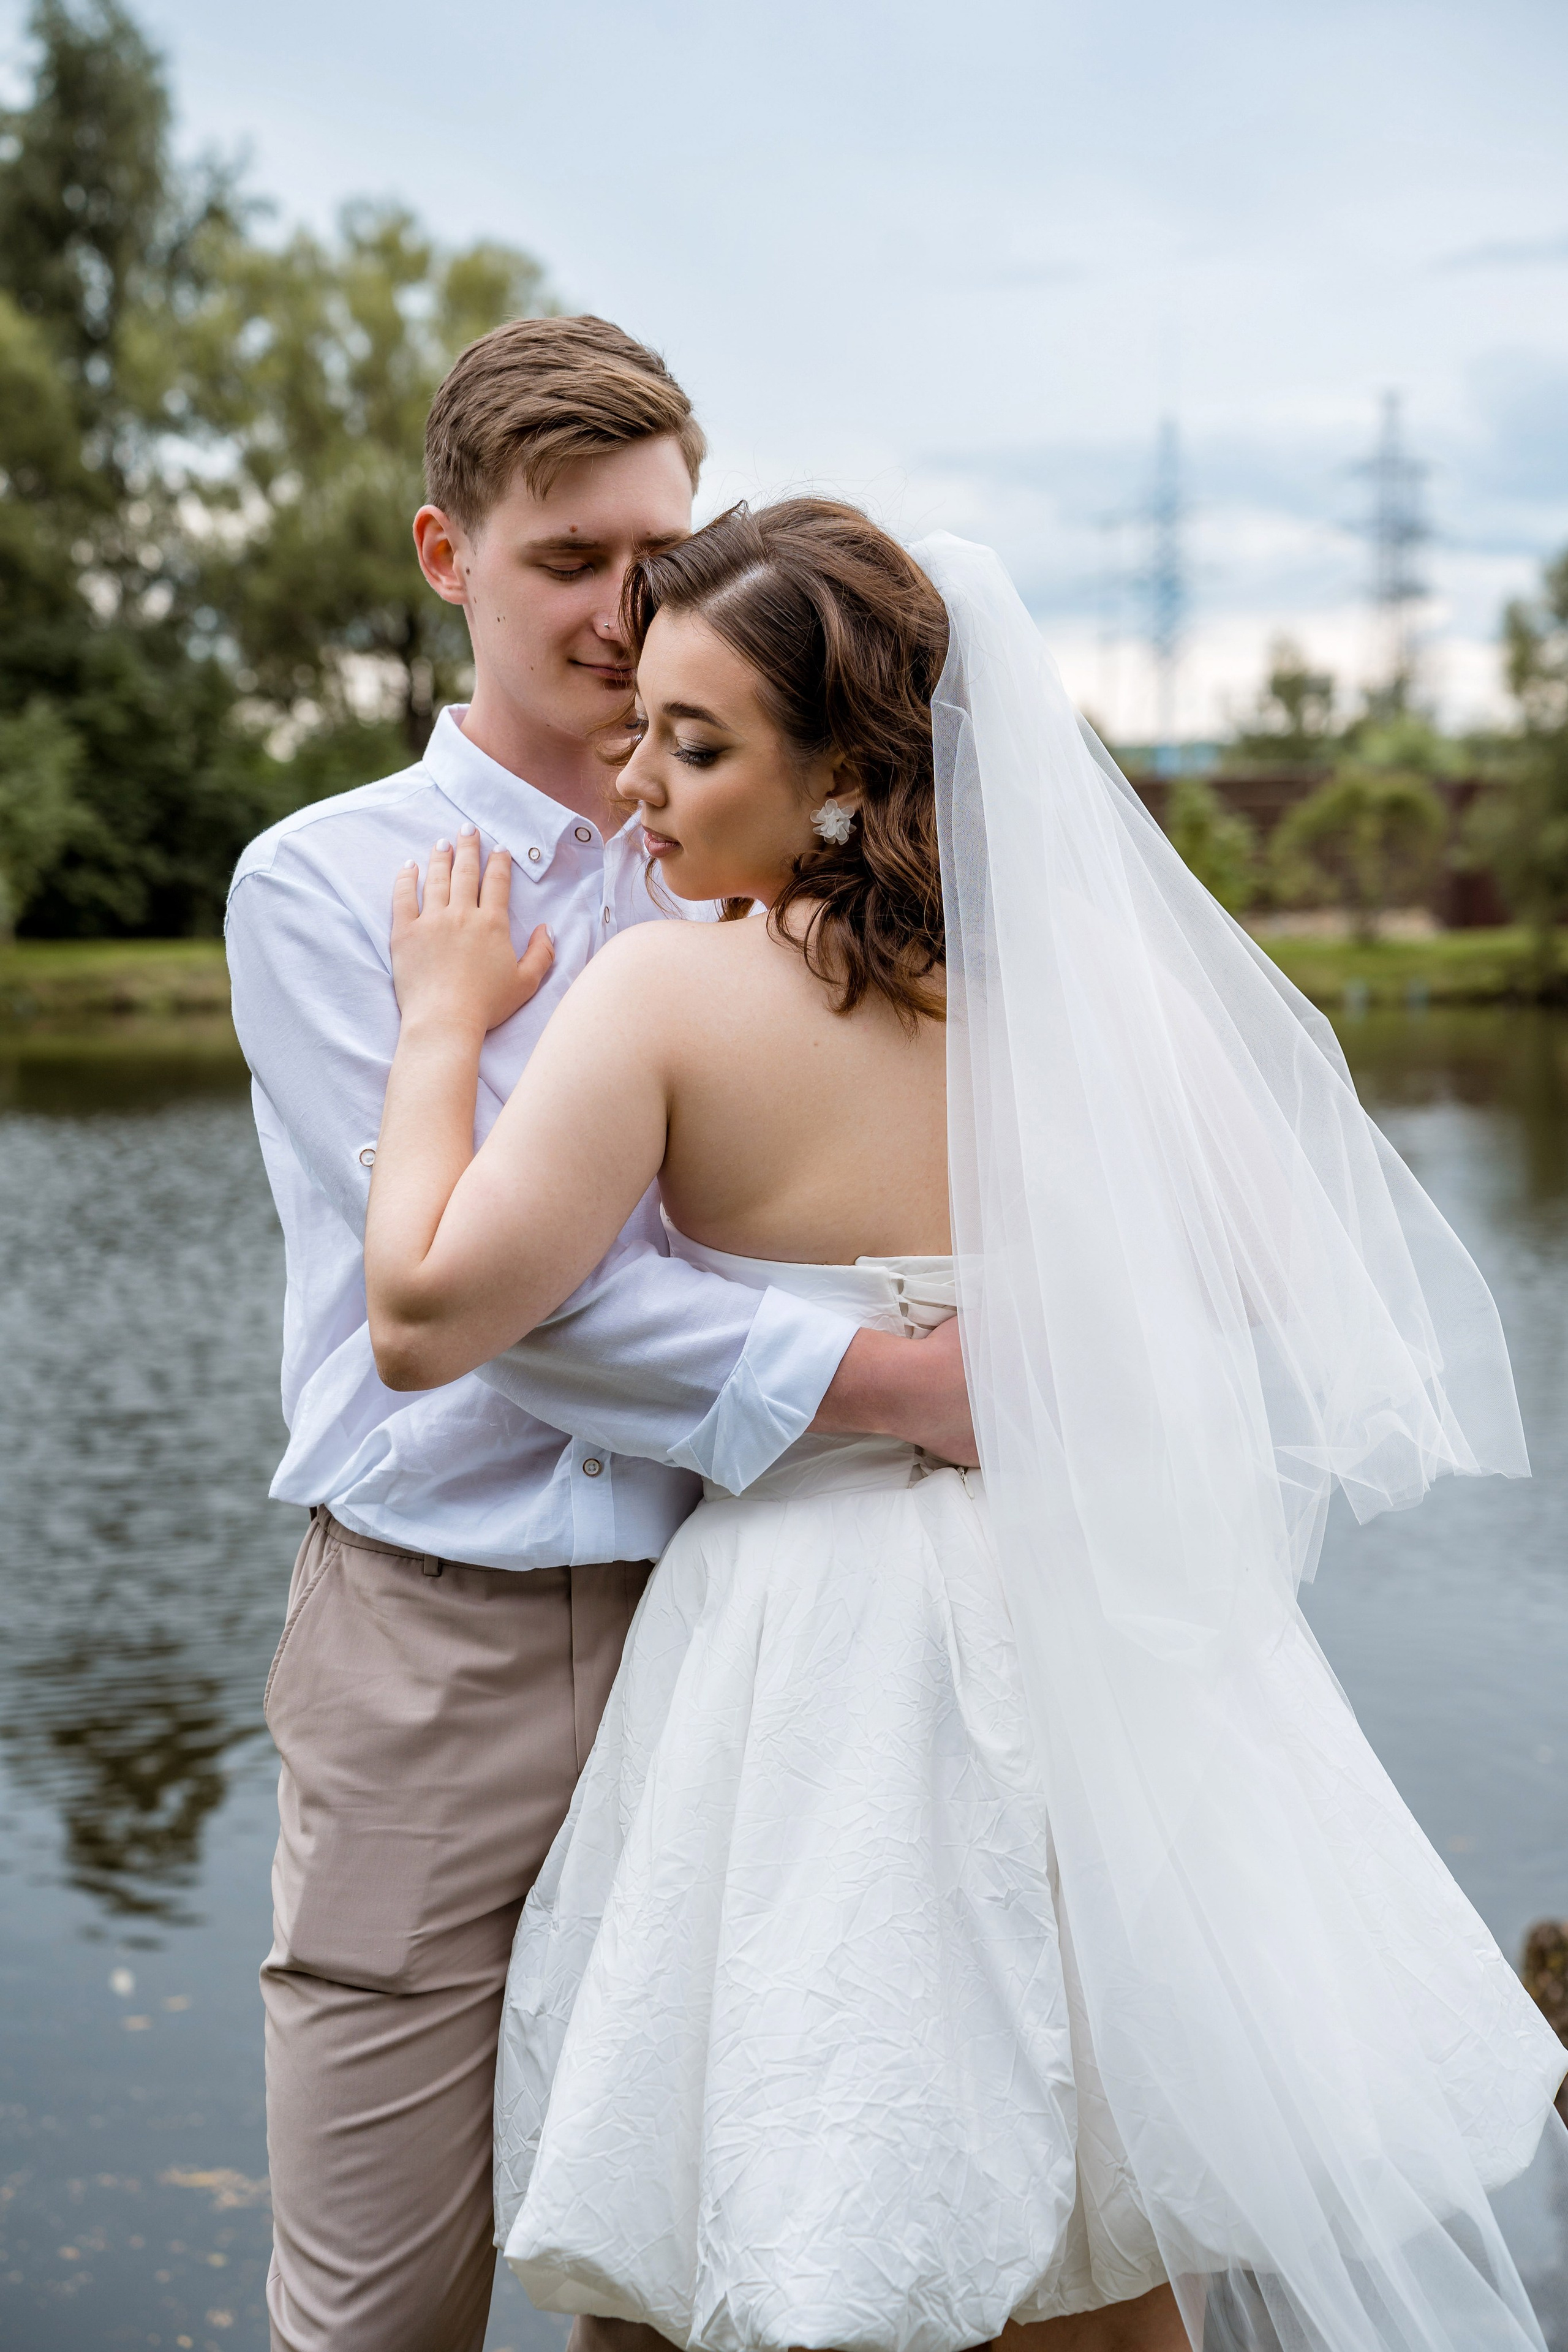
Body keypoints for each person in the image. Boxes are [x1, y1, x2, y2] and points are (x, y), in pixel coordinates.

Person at [363, 497, 1568, 2352]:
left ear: (845, 771)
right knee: (1117, 2210)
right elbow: (1268, 1271)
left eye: (698, 745)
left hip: (813, 1634)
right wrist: (1012, 1319)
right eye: (642, 736)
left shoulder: (671, 992)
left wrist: (439, 1027)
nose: (644, 791)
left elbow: (428, 1313)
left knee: (738, 2223)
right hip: (1089, 1627)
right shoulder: (1080, 996)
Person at [225, 326, 976, 2352]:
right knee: (381, 2300)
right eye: (568, 558)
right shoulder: (331, 889)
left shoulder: (774, 880)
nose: (621, 606)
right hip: (436, 1639)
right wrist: (889, 1377)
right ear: (445, 554)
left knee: (693, 2259)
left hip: (743, 1619)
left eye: (661, 550)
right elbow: (504, 1308)